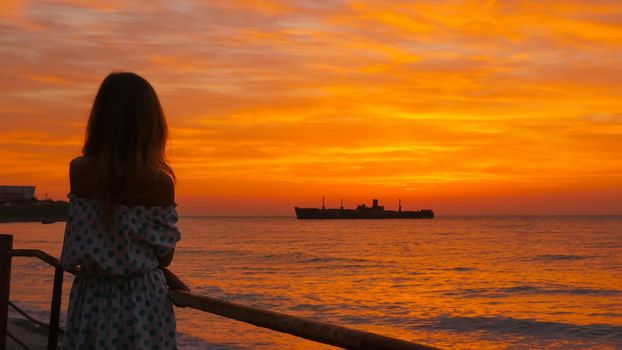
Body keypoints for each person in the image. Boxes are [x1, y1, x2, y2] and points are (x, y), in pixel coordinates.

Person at [60, 72, 181, 349]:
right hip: (141, 300)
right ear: (151, 124)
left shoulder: (78, 170)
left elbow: (91, 237)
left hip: (91, 296)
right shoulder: (159, 183)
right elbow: (164, 257)